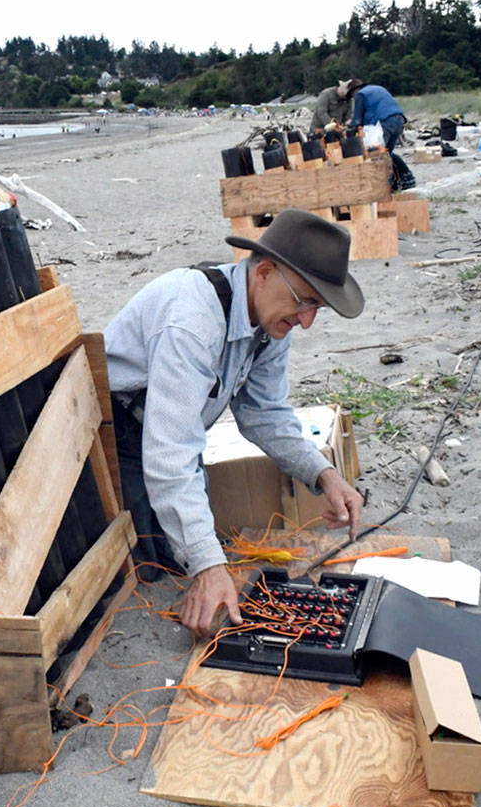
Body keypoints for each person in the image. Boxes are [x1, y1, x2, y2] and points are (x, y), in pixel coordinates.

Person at [104, 210, 366, 637]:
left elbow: (263, 413)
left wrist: (324, 473)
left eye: (317, 308)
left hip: (167, 435)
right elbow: (169, 453)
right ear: (264, 272)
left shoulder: (271, 319)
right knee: (145, 568)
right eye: (304, 302)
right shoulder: (192, 321)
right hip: (112, 435)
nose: (306, 321)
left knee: (185, 552)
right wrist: (207, 564)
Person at [343, 79, 415, 189]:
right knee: (387, 153)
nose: (353, 98)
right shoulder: (378, 88)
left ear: (354, 91)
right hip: (399, 120)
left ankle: (384, 185)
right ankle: (407, 177)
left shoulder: (361, 95)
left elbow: (357, 120)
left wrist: (348, 127)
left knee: (377, 154)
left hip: (384, 122)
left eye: (352, 95)